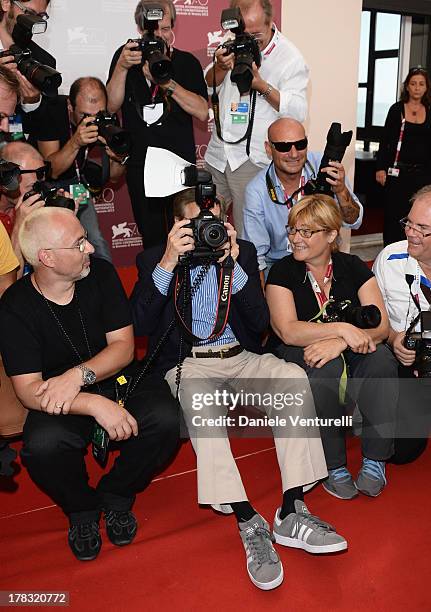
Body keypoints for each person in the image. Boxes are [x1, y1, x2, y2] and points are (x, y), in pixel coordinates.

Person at [130, 187, 347, 592]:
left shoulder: (241, 252)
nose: (207, 231)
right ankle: (249, 520)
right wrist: (167, 263)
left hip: (242, 355)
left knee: (292, 380)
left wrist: (235, 266)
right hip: (190, 362)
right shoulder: (155, 258)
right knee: (200, 403)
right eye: (196, 225)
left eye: (213, 221)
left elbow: (260, 319)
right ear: (177, 225)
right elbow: (139, 325)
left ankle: (291, 508)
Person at [0, 207, 179, 561]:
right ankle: (81, 509)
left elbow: (124, 348)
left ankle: (116, 494)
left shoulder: (100, 274)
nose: (91, 249)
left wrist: (77, 377)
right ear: (46, 258)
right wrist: (94, 404)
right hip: (59, 401)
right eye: (79, 243)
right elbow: (28, 391)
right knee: (43, 446)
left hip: (115, 378)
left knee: (166, 418)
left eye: (85, 238)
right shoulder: (14, 306)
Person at [266, 194, 398, 500]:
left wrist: (339, 342)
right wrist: (341, 329)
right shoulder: (282, 271)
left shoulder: (352, 266)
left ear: (331, 235)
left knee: (381, 361)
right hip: (299, 348)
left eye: (306, 232)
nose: (295, 239)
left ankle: (376, 459)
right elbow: (288, 330)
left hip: (346, 345)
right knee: (324, 366)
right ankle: (333, 464)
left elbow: (381, 326)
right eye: (292, 230)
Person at [106, 0, 208, 248]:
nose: (160, 36)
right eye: (154, 30)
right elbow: (109, 107)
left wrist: (166, 82)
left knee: (186, 237)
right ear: (141, 29)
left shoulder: (186, 63)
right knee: (152, 240)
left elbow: (203, 111)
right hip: (141, 165)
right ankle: (158, 285)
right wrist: (121, 68)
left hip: (179, 166)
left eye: (165, 28)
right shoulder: (125, 60)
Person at [205, 0, 309, 235]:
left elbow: (298, 112)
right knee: (206, 227)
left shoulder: (290, 58)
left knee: (247, 235)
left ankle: (247, 273)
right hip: (219, 153)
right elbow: (208, 85)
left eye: (255, 35)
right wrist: (220, 67)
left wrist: (262, 87)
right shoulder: (230, 41)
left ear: (271, 22)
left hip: (251, 160)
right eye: (243, 32)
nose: (248, 40)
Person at [242, 118, 363, 276]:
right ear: (269, 149)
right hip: (279, 261)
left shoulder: (324, 165)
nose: (293, 154)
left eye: (300, 145)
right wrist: (262, 300)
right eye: (283, 147)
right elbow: (256, 258)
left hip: (323, 257)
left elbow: (355, 221)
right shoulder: (256, 190)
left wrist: (341, 191)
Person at [36, 77, 127, 262]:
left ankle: (107, 288)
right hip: (44, 185)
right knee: (52, 244)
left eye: (98, 114)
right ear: (70, 105)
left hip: (77, 184)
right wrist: (76, 142)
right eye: (86, 115)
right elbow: (51, 171)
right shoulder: (51, 111)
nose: (93, 120)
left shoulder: (108, 119)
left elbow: (115, 177)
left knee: (95, 240)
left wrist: (118, 157)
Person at [373, 185, 431, 463]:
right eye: (409, 222)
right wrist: (393, 337)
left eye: (422, 228)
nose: (410, 232)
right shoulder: (390, 259)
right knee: (403, 451)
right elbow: (372, 321)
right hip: (403, 362)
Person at [376, 66, 431, 246]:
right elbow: (385, 142)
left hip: (423, 175)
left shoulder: (429, 110)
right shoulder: (396, 109)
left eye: (421, 84)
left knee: (419, 217)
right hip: (398, 174)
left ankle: (416, 252)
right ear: (407, 86)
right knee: (394, 217)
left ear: (426, 87)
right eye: (413, 83)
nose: (417, 88)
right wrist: (380, 168)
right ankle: (391, 253)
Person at [0, 1, 57, 142]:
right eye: (29, 13)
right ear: (6, 3)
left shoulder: (42, 63)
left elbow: (21, 139)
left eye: (40, 16)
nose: (34, 23)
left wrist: (31, 104)